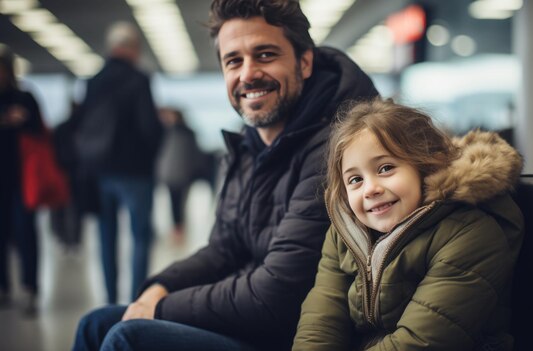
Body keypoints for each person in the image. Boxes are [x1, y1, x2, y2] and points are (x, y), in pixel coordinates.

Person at [72, 0, 378, 350]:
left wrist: (160, 307)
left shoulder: (339, 148)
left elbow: (275, 296)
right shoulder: (251, 145)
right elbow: (224, 248)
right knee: (95, 324)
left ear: (304, 62)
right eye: (234, 60)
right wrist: (160, 285)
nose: (247, 74)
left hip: (291, 332)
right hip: (254, 318)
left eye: (265, 55)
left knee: (129, 338)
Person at [293, 98, 525, 350]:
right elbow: (322, 317)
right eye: (356, 179)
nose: (370, 189)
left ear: (426, 165)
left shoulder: (471, 233)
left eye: (385, 168)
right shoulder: (344, 233)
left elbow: (420, 342)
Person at [74, 22, 163, 304]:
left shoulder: (93, 81)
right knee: (140, 237)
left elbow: (82, 126)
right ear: (133, 48)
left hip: (100, 171)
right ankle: (136, 297)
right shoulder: (138, 79)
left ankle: (110, 299)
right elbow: (149, 126)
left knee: (106, 238)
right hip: (135, 171)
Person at [0, 43, 44, 315]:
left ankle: (30, 288)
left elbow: (40, 131)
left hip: (23, 178)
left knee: (26, 232)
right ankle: (3, 287)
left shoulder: (25, 97)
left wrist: (22, 121)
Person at [155, 107, 203, 240]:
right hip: (171, 174)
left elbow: (193, 155)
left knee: (179, 202)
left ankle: (179, 229)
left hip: (182, 174)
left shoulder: (181, 133)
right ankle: (177, 228)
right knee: (174, 202)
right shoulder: (167, 132)